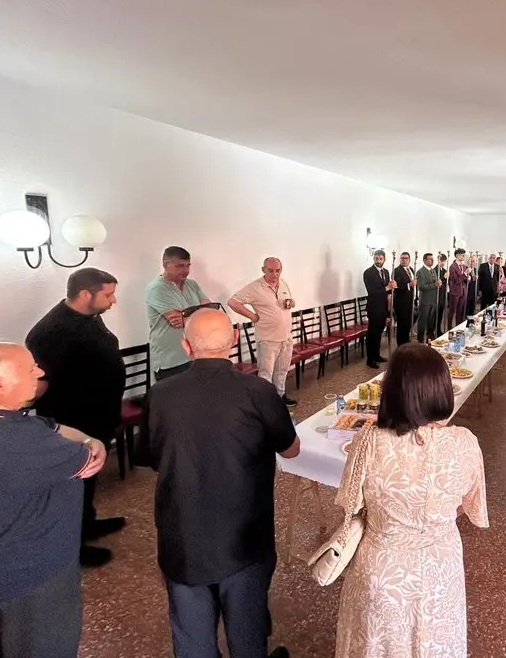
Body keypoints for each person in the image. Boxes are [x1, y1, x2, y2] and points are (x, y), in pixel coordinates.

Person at [146, 310, 300, 658]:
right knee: (246, 628)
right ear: (233, 339)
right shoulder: (258, 391)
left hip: (182, 532)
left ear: (186, 346)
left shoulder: (160, 394)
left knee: (191, 636)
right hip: (243, 532)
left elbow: (153, 457)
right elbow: (290, 449)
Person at [334, 343, 488, 658]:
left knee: (377, 645)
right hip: (439, 564)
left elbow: (351, 503)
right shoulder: (465, 443)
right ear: (443, 390)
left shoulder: (369, 440)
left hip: (382, 567)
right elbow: (468, 505)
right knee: (436, 640)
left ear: (391, 392)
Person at [0, 341, 107, 658]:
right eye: (29, 368)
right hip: (32, 573)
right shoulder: (17, 440)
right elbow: (84, 459)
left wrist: (78, 435)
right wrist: (91, 441)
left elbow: (47, 426)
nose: (39, 372)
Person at [26, 267, 126, 567]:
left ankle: (88, 522)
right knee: (71, 482)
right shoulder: (50, 331)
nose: (113, 300)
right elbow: (42, 382)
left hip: (98, 415)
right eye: (108, 294)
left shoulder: (90, 316)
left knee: (88, 478)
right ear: (86, 294)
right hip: (73, 419)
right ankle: (72, 546)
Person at [228, 257, 299, 407]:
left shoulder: (283, 283)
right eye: (270, 270)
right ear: (263, 270)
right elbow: (232, 302)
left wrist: (290, 302)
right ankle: (265, 402)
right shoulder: (255, 287)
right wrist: (252, 316)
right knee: (266, 373)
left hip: (286, 336)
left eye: (278, 270)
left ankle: (280, 396)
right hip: (268, 339)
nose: (274, 274)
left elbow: (287, 301)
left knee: (282, 370)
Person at [146, 246, 211, 381]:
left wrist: (188, 317)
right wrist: (200, 314)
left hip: (195, 354)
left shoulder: (192, 284)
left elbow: (209, 311)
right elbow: (177, 322)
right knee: (173, 400)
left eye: (188, 265)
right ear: (165, 265)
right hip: (170, 359)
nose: (186, 270)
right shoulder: (158, 288)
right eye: (180, 266)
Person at [362, 250, 396, 369]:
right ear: (374, 259)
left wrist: (392, 287)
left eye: (381, 258)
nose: (378, 261)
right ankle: (370, 359)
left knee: (379, 333)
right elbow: (372, 292)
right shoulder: (368, 273)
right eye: (376, 258)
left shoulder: (386, 272)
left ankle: (377, 355)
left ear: (384, 259)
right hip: (374, 307)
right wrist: (387, 287)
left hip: (383, 307)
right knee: (373, 334)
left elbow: (387, 291)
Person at [415, 253, 441, 343]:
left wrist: (439, 283)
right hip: (425, 300)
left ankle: (430, 336)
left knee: (431, 320)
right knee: (423, 320)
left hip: (434, 299)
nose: (432, 261)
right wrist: (435, 285)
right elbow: (421, 286)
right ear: (425, 260)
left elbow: (436, 283)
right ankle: (420, 339)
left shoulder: (433, 271)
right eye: (430, 259)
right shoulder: (420, 272)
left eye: (433, 259)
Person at [393, 252, 416, 346]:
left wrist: (416, 298)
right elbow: (397, 286)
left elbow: (414, 284)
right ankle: (401, 345)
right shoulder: (396, 271)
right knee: (402, 325)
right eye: (402, 258)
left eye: (406, 258)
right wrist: (408, 285)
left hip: (410, 300)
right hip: (401, 302)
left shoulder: (410, 269)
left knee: (407, 323)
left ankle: (406, 342)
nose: (404, 260)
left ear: (409, 260)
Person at [447, 248, 469, 326]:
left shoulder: (463, 266)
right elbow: (456, 280)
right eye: (463, 255)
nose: (464, 257)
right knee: (452, 311)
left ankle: (458, 326)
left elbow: (464, 279)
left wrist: (467, 278)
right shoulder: (452, 267)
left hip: (463, 291)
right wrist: (465, 274)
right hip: (455, 291)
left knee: (460, 311)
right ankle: (449, 328)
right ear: (457, 256)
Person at [435, 254, 448, 334]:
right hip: (437, 295)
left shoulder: (444, 270)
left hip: (442, 294)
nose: (443, 263)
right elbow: (438, 281)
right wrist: (444, 277)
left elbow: (445, 282)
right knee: (435, 315)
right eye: (441, 261)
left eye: (444, 261)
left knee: (440, 314)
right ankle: (435, 330)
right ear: (438, 260)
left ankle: (438, 329)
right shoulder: (435, 270)